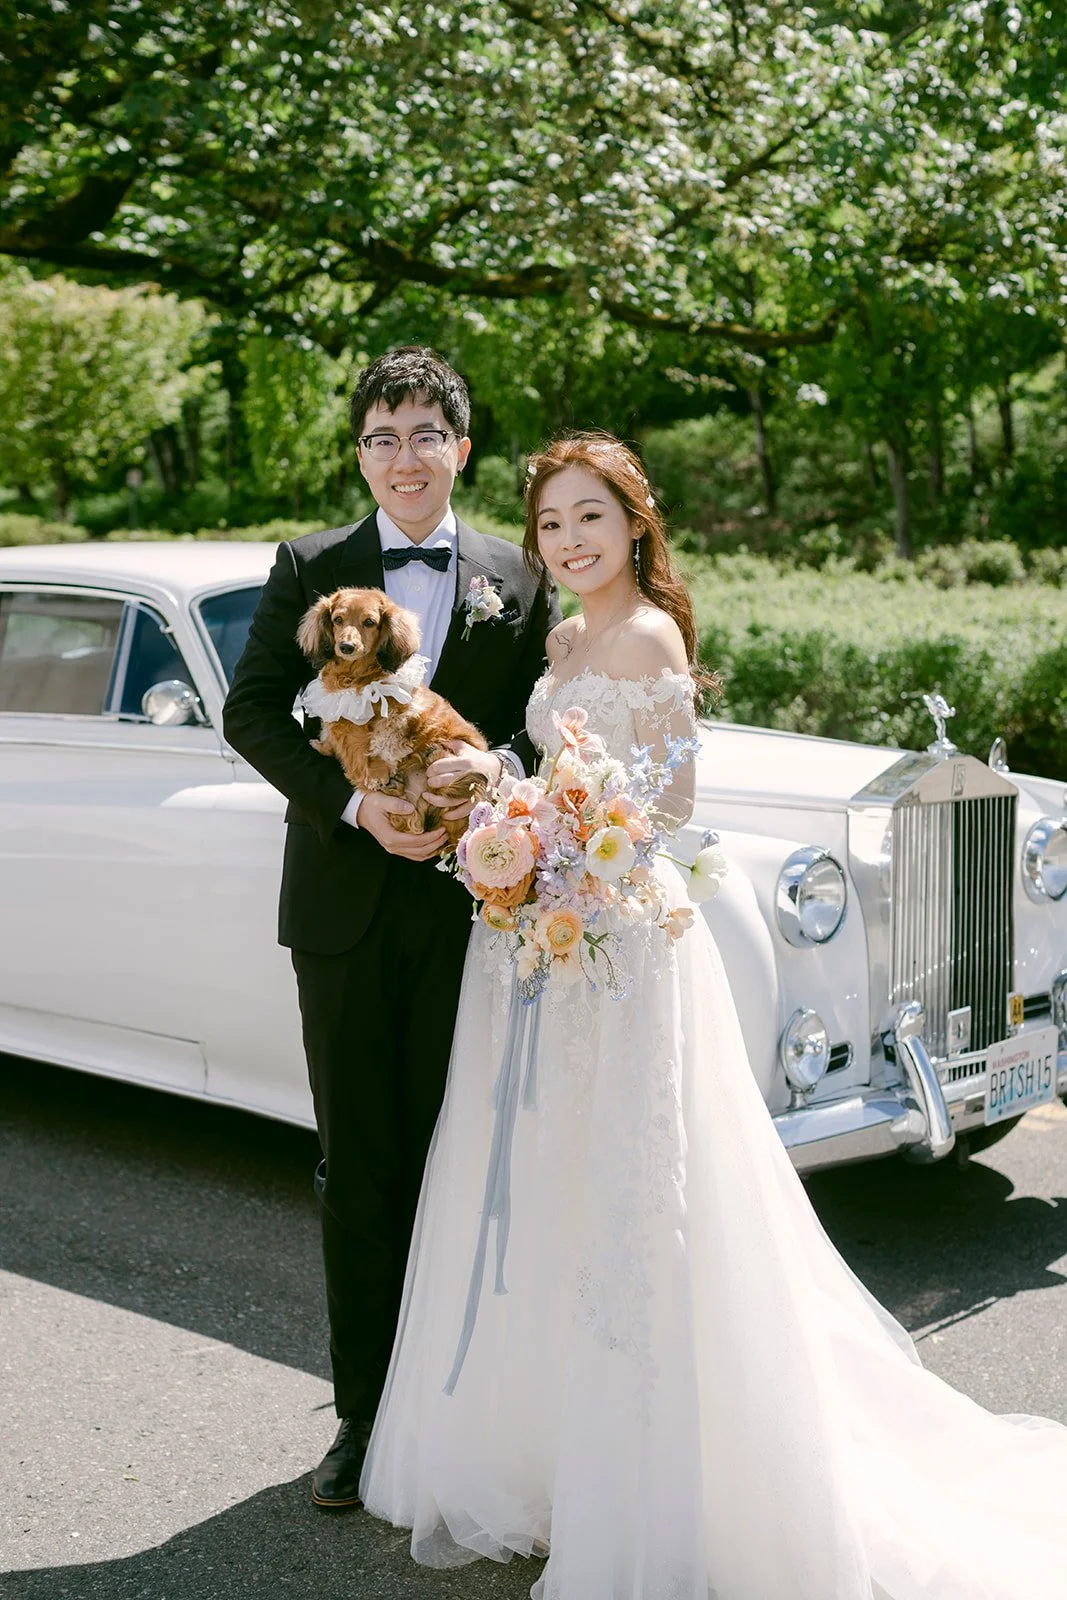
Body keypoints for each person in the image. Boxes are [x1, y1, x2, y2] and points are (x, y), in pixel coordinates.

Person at [359, 430, 1067, 1599]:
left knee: (634, 1195)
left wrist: (562, 843)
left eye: (589, 516)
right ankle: (543, 1453)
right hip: (542, 935)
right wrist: (508, 817)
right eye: (549, 524)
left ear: (634, 521)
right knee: (545, 1181)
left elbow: (674, 799)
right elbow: (554, 772)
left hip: (623, 940)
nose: (568, 539)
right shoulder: (562, 632)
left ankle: (657, 1478)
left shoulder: (648, 635)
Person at [222, 347, 559, 1508]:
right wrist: (353, 805)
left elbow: (530, 731)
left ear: (460, 449)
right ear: (360, 453)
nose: (401, 455)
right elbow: (250, 710)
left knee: (465, 1165)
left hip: (477, 910)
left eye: (424, 433)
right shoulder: (309, 566)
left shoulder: (517, 574)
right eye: (380, 435)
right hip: (345, 916)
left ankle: (462, 1413)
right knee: (358, 1170)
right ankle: (362, 1422)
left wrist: (486, 787)